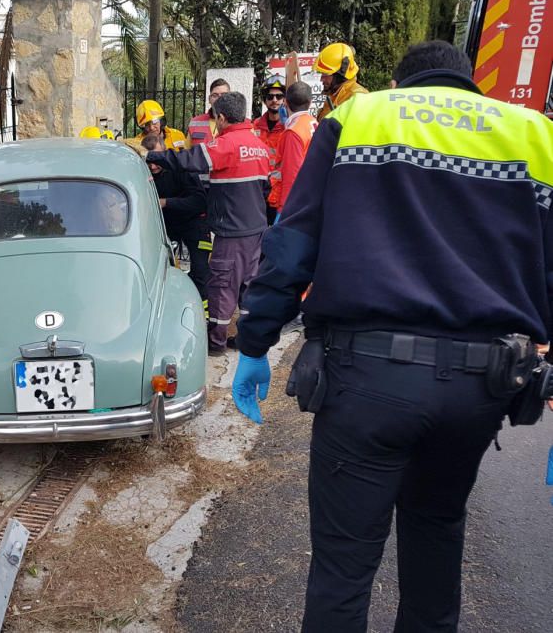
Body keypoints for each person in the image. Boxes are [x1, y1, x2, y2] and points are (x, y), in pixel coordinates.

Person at [231, 40, 553, 631]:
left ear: (403, 83)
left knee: (343, 568)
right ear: (469, 83)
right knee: (436, 538)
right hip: (479, 385)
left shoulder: (359, 117)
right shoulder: (533, 133)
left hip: (365, 380)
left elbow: (294, 240)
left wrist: (256, 343)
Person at [146, 92, 270, 356]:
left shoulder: (226, 144)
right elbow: (267, 187)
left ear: (222, 118)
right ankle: (247, 338)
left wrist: (155, 157)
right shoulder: (258, 144)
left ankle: (216, 342)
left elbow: (187, 160)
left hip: (232, 230)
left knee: (222, 285)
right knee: (249, 284)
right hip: (256, 228)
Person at [141, 133, 211, 308]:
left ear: (165, 153)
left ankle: (203, 313)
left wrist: (166, 203)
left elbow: (200, 202)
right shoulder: (141, 173)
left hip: (193, 222)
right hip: (165, 227)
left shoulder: (181, 169)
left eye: (157, 159)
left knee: (201, 271)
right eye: (149, 161)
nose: (153, 165)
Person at [276, 81, 318, 212]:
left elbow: (291, 174)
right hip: (312, 193)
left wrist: (284, 208)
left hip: (296, 201)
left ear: (286, 102)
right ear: (310, 103)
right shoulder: (314, 122)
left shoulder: (293, 132)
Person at [253, 75, 288, 223]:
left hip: (280, 195)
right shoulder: (254, 126)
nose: (274, 100)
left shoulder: (289, 128)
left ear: (285, 99)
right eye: (270, 96)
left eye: (279, 96)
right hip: (258, 193)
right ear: (265, 99)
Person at [313, 42, 368, 121]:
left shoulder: (358, 98)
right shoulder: (335, 96)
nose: (321, 79)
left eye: (326, 75)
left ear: (339, 75)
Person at [187, 78, 230, 147]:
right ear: (209, 99)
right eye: (215, 95)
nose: (219, 98)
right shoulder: (195, 122)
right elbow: (188, 152)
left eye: (224, 95)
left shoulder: (242, 123)